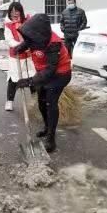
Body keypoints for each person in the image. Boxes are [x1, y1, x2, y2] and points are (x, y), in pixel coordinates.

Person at [14, 14, 72, 153]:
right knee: (41, 102)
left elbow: (50, 70)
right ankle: (47, 128)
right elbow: (30, 40)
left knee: (50, 103)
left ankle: (51, 138)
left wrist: (29, 81)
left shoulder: (54, 43)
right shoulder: (37, 37)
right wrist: (21, 47)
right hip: (44, 73)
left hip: (60, 75)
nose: (30, 39)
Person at [3, 1, 34, 112]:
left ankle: (35, 100)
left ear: (21, 11)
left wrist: (28, 45)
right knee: (14, 79)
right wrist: (20, 46)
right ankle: (9, 101)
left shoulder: (27, 21)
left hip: (29, 55)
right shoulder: (8, 25)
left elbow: (32, 34)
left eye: (17, 11)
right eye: (12, 12)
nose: (14, 14)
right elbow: (9, 40)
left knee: (32, 77)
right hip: (16, 55)